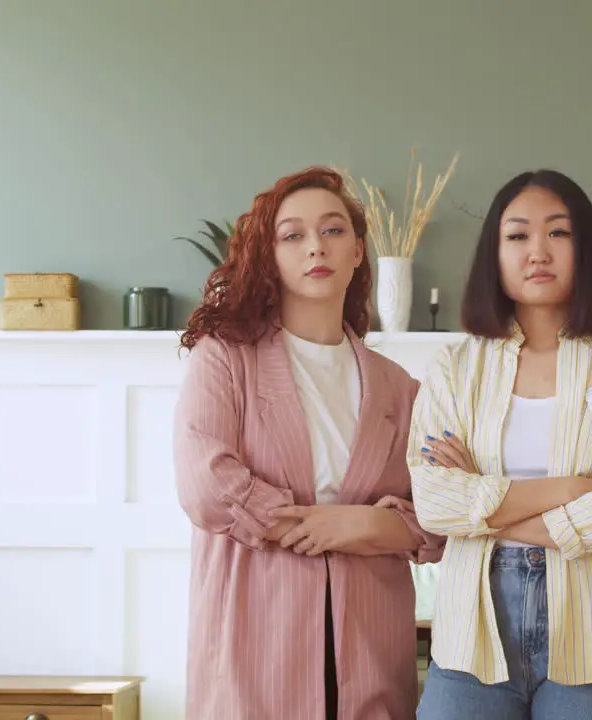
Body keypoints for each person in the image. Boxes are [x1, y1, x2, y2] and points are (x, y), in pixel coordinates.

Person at [173, 166, 444, 720]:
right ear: (270, 256)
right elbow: (206, 484)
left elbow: (439, 517)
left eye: (333, 230)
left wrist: (356, 524)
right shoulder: (224, 358)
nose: (315, 246)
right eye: (292, 234)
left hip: (371, 648)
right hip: (256, 644)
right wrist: (323, 525)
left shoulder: (401, 388)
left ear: (358, 252)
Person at [408, 169, 592, 720]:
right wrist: (573, 490)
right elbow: (434, 503)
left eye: (558, 233)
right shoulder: (455, 370)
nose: (538, 252)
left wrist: (481, 508)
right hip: (470, 627)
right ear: (494, 254)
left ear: (587, 249)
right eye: (517, 235)